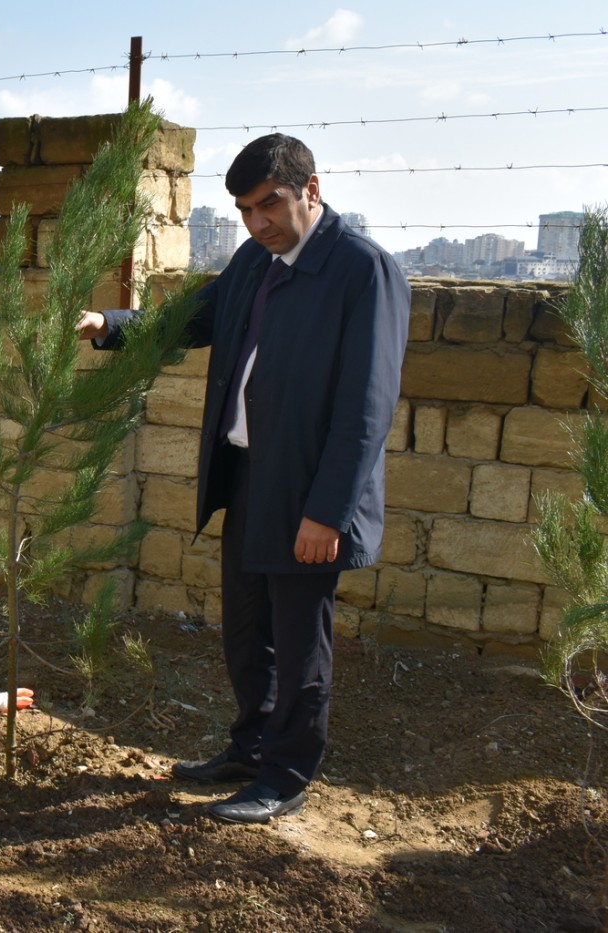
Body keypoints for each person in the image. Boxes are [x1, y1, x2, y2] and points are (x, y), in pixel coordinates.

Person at [78, 134, 409, 823]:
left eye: (270, 204)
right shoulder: (254, 262)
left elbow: (367, 408)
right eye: (245, 209)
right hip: (250, 475)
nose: (259, 221)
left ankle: (284, 775)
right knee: (246, 630)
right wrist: (110, 324)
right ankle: (251, 746)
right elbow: (191, 319)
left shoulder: (362, 270)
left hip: (310, 493)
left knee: (298, 642)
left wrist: (328, 511)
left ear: (310, 190)